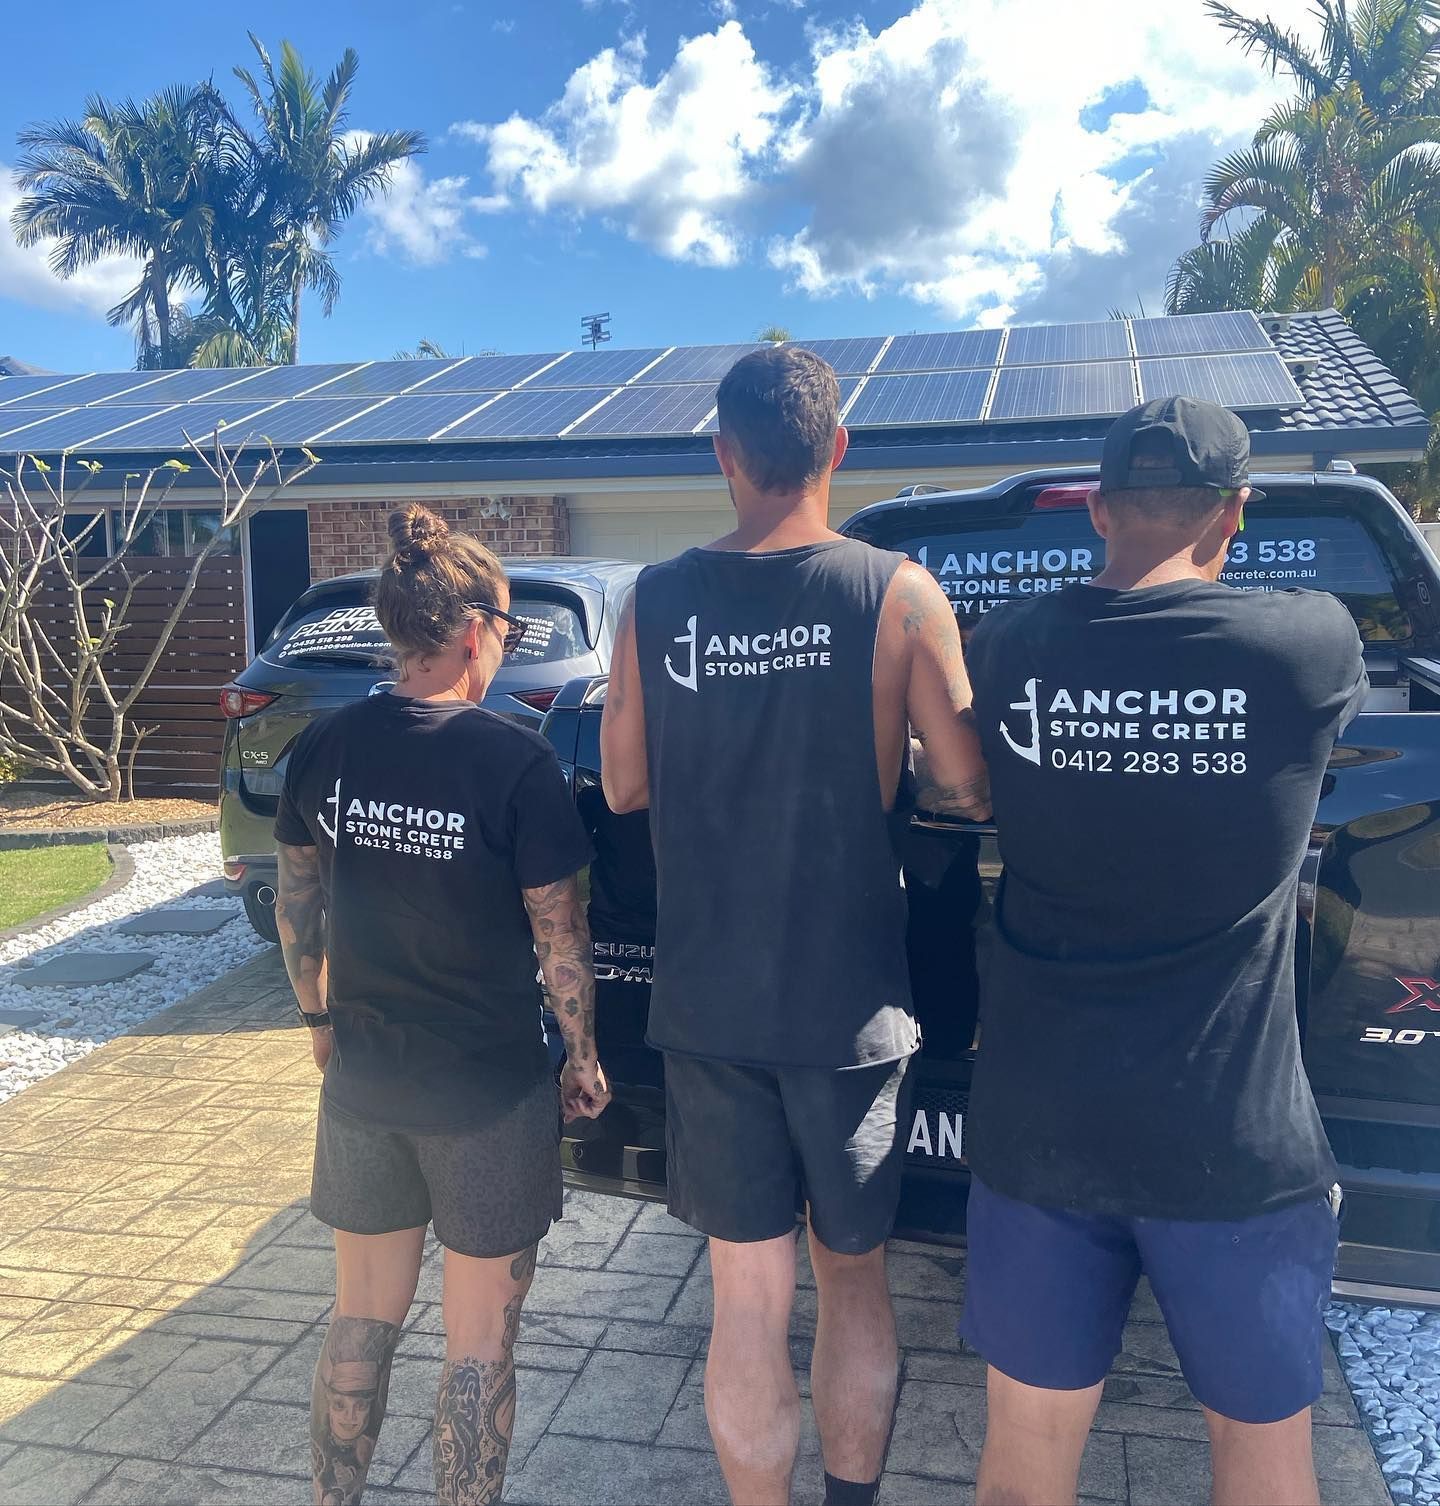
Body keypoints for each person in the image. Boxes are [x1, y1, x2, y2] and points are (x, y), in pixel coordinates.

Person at [601, 345, 991, 1506]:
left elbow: (621, 786)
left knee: (746, 1296)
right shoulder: (899, 592)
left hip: (712, 1003)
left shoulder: (654, 600)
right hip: (849, 1009)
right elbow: (968, 785)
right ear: (838, 449)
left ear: (723, 455)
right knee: (854, 1282)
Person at [959, 396, 1368, 1506]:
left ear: (1097, 509)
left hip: (1042, 1132)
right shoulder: (1310, 643)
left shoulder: (1010, 645)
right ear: (1234, 516)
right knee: (1268, 1470)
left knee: (1022, 1471)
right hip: (1232, 1139)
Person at [273, 503, 610, 1506]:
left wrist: (318, 1024)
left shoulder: (327, 748)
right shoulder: (515, 761)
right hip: (488, 1096)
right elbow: (560, 938)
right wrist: (582, 1058)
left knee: (359, 1320)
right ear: (471, 630)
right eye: (507, 630)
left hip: (366, 1082)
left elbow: (300, 907)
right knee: (477, 1347)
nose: (505, 648)